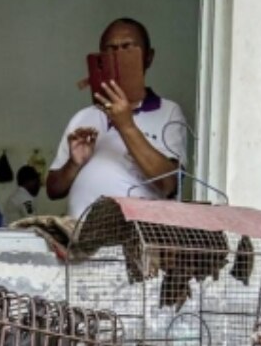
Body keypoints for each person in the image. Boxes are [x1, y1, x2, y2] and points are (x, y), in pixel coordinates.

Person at [46, 18, 189, 220]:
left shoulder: (169, 112)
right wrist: (74, 163)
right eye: (110, 50)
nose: (118, 56)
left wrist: (126, 125)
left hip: (134, 241)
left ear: (148, 57)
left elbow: (170, 185)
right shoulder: (83, 116)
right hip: (79, 237)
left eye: (127, 48)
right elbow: (53, 190)